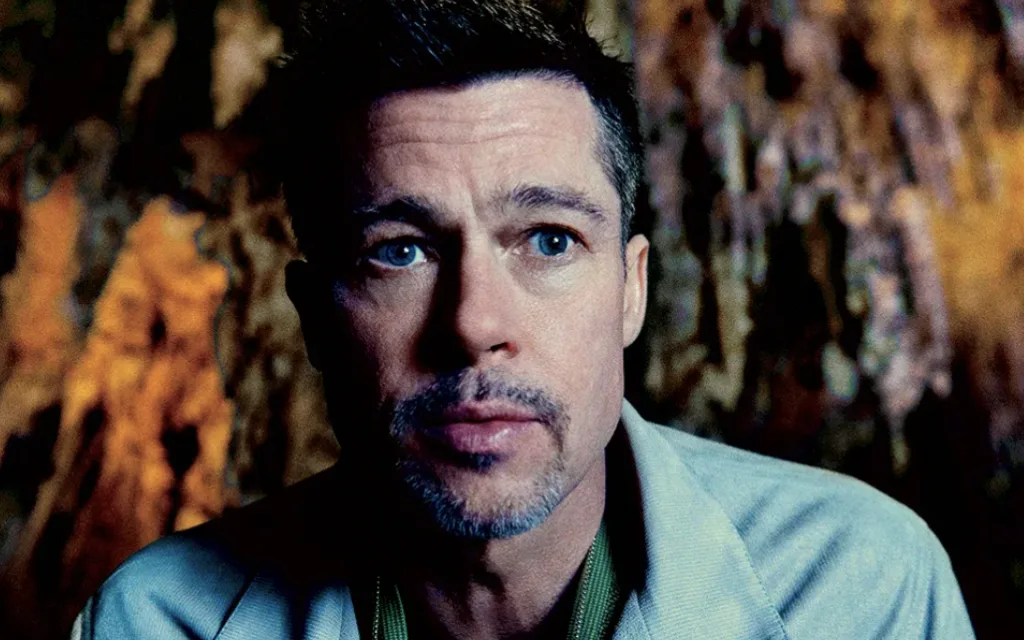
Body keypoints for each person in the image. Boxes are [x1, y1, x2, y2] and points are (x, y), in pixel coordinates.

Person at [73, 1, 974, 638]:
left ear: (631, 289)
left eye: (548, 240)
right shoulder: (155, 623)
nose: (474, 324)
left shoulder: (860, 591)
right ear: (313, 318)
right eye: (400, 250)